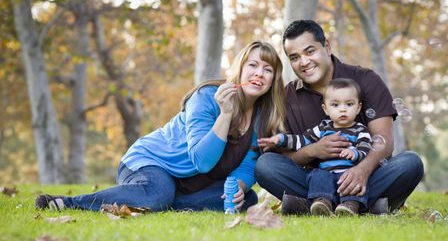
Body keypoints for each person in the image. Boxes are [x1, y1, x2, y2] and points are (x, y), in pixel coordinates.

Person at [36, 41, 285, 213]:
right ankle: (70, 202)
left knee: (247, 200)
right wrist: (226, 114)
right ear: (240, 69)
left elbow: (248, 165)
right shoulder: (207, 98)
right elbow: (202, 161)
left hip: (187, 184)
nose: (259, 74)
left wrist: (239, 187)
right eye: (253, 65)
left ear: (273, 79)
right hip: (149, 163)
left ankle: (163, 201)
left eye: (267, 69)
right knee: (158, 193)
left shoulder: (263, 116)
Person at [255, 20, 424, 215]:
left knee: (410, 163)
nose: (304, 62)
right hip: (316, 181)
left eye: (310, 51)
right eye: (294, 57)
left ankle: (311, 206)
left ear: (326, 46)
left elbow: (384, 142)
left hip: (368, 177)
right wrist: (313, 151)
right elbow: (284, 157)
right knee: (266, 165)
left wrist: (362, 170)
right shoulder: (286, 98)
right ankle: (364, 206)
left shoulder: (366, 80)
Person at [257, 78, 371, 216]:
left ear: (358, 108)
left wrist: (355, 152)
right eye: (335, 105)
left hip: (348, 173)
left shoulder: (360, 130)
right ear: (326, 109)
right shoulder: (323, 128)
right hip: (327, 174)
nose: (342, 109)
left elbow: (365, 148)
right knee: (318, 175)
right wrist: (280, 139)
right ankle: (322, 202)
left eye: (349, 104)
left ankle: (349, 206)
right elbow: (303, 140)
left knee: (352, 184)